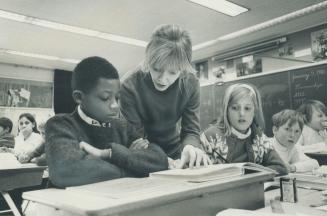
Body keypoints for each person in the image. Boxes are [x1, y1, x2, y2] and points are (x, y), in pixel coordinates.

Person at [45, 56, 168, 188]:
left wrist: (107, 154)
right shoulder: (60, 125)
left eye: (117, 98)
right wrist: (134, 166)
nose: (115, 106)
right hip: (70, 205)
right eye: (105, 98)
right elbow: (67, 172)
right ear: (79, 97)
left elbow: (159, 160)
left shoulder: (121, 126)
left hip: (114, 202)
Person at [120, 24, 210, 168]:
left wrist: (191, 147)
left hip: (175, 152)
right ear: (148, 60)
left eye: (173, 72)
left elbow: (191, 130)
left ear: (183, 68)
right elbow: (135, 138)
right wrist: (161, 161)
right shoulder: (129, 86)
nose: (162, 79)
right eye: (156, 69)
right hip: (143, 154)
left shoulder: (191, 83)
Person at [200, 83, 288, 175]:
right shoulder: (210, 137)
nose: (242, 113)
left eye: (247, 108)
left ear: (254, 111)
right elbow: (193, 172)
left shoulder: (259, 138)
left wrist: (247, 175)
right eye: (235, 108)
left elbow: (281, 167)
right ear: (226, 111)